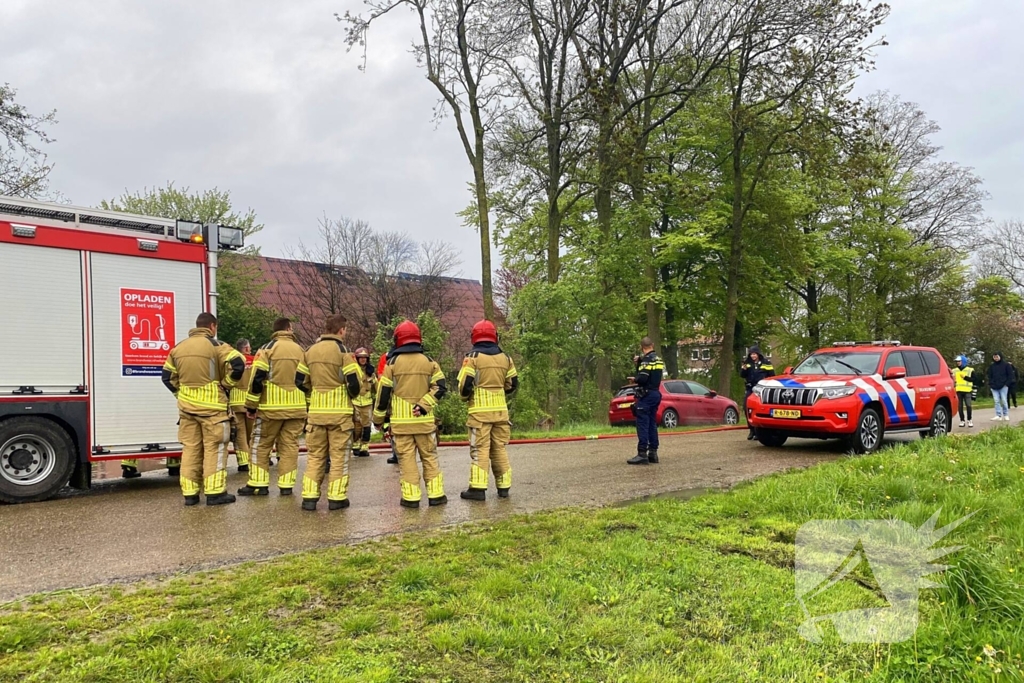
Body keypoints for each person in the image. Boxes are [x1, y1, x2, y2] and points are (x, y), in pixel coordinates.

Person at [160, 312, 245, 506]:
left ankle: (190, 494)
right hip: (213, 410)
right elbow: (238, 364)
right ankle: (215, 493)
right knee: (215, 449)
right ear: (212, 326)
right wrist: (225, 385)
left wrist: (181, 394)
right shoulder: (217, 345)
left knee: (190, 449)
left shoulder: (178, 348)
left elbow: (167, 377)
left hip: (187, 410)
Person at [372, 320, 448, 507]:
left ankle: (411, 498)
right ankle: (436, 496)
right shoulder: (430, 362)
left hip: (401, 426)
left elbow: (383, 396)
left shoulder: (391, 364)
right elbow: (440, 387)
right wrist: (423, 405)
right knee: (429, 458)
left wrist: (378, 420)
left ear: (397, 339)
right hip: (424, 423)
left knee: (406, 461)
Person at [238, 318, 309, 496]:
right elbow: (307, 380)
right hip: (297, 408)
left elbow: (257, 378)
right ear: (289, 328)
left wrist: (251, 406)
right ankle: (286, 486)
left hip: (270, 409)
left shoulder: (267, 349)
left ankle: (258, 484)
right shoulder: (301, 350)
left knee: (260, 445)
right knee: (289, 446)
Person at [299, 314, 361, 511]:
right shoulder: (343, 352)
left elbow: (299, 380)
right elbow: (354, 384)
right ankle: (336, 498)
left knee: (315, 457)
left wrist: (315, 391)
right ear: (341, 330)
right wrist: (349, 395)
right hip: (340, 417)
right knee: (339, 458)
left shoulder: (310, 351)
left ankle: (309, 498)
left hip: (316, 415)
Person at [456, 320, 518, 500]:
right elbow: (513, 384)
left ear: (474, 337)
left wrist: (466, 397)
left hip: (479, 414)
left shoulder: (472, 358)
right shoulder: (506, 358)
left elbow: (465, 386)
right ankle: (504, 487)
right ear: (495, 337)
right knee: (499, 448)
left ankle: (477, 489)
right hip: (501, 413)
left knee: (480, 449)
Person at [627, 337, 665, 465]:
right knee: (652, 423)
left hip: (646, 395)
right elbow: (653, 374)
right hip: (655, 393)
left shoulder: (646, 361)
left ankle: (642, 453)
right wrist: (640, 361)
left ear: (641, 347)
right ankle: (653, 452)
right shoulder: (658, 360)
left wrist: (635, 378)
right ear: (652, 345)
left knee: (643, 423)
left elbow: (643, 378)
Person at [228, 338, 255, 472]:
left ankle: (243, 462)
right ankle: (254, 460)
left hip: (236, 402)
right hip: (251, 402)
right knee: (253, 433)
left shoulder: (232, 361)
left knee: (240, 434)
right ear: (246, 348)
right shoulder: (255, 361)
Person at [740, 345, 775, 440]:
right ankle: (751, 430)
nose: (753, 356)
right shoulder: (747, 363)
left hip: (761, 389)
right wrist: (743, 369)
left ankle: (759, 431)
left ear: (758, 354)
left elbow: (772, 376)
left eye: (754, 354)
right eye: (751, 354)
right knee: (746, 407)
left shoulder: (766, 363)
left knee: (760, 408)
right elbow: (742, 375)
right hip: (750, 388)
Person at [351, 348, 376, 457]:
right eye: (360, 358)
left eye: (365, 358)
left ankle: (364, 446)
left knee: (367, 426)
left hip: (367, 403)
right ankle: (356, 444)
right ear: (357, 359)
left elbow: (376, 387)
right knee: (356, 425)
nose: (363, 359)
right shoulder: (353, 370)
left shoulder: (370, 372)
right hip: (355, 401)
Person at [987, 351, 1014, 422]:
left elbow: (1010, 375)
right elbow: (989, 376)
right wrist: (991, 384)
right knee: (996, 401)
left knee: (1004, 400)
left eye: (997, 357)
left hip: (1003, 386)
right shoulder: (992, 366)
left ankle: (1006, 414)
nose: (996, 358)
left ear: (1000, 357)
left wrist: (1007, 384)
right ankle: (998, 415)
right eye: (994, 357)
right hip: (994, 386)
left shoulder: (1006, 365)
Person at [952, 355, 975, 428]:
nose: (958, 362)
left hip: (967, 390)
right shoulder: (954, 370)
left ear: (963, 361)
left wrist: (965, 377)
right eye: (957, 361)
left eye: (959, 361)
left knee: (968, 405)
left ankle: (969, 420)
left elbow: (974, 379)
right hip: (958, 390)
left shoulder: (970, 370)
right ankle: (962, 420)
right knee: (960, 406)